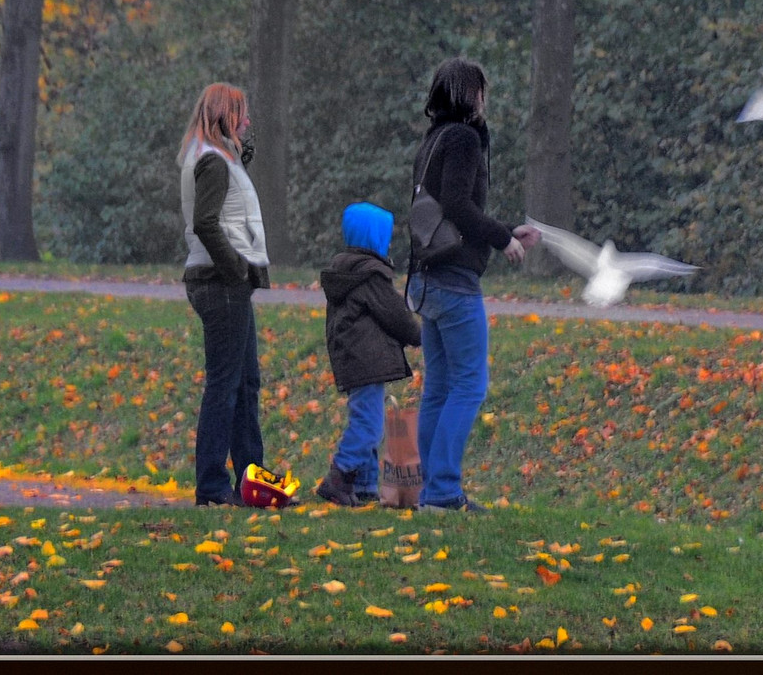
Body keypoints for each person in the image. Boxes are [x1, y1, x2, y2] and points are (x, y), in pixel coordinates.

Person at [405, 58, 540, 512]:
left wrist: (502, 229)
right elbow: (460, 206)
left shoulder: (434, 139)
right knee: (469, 386)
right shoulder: (463, 138)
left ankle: (432, 491)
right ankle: (442, 492)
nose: (486, 100)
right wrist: (502, 239)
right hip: (455, 282)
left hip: (426, 276)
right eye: (482, 91)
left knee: (438, 389)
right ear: (470, 95)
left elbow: (447, 207)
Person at [179, 82, 293, 508]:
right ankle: (211, 485)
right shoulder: (212, 162)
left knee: (246, 384)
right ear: (225, 115)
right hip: (220, 283)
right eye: (241, 114)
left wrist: (240, 152)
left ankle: (254, 483)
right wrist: (235, 270)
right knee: (226, 385)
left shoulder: (216, 157)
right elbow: (208, 223)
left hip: (227, 283)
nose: (247, 121)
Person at [314, 201, 423, 507]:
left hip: (355, 359)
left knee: (365, 417)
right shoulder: (370, 276)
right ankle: (339, 477)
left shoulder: (347, 273)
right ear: (374, 239)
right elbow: (395, 315)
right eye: (384, 236)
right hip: (366, 360)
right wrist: (419, 336)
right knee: (370, 425)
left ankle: (363, 486)